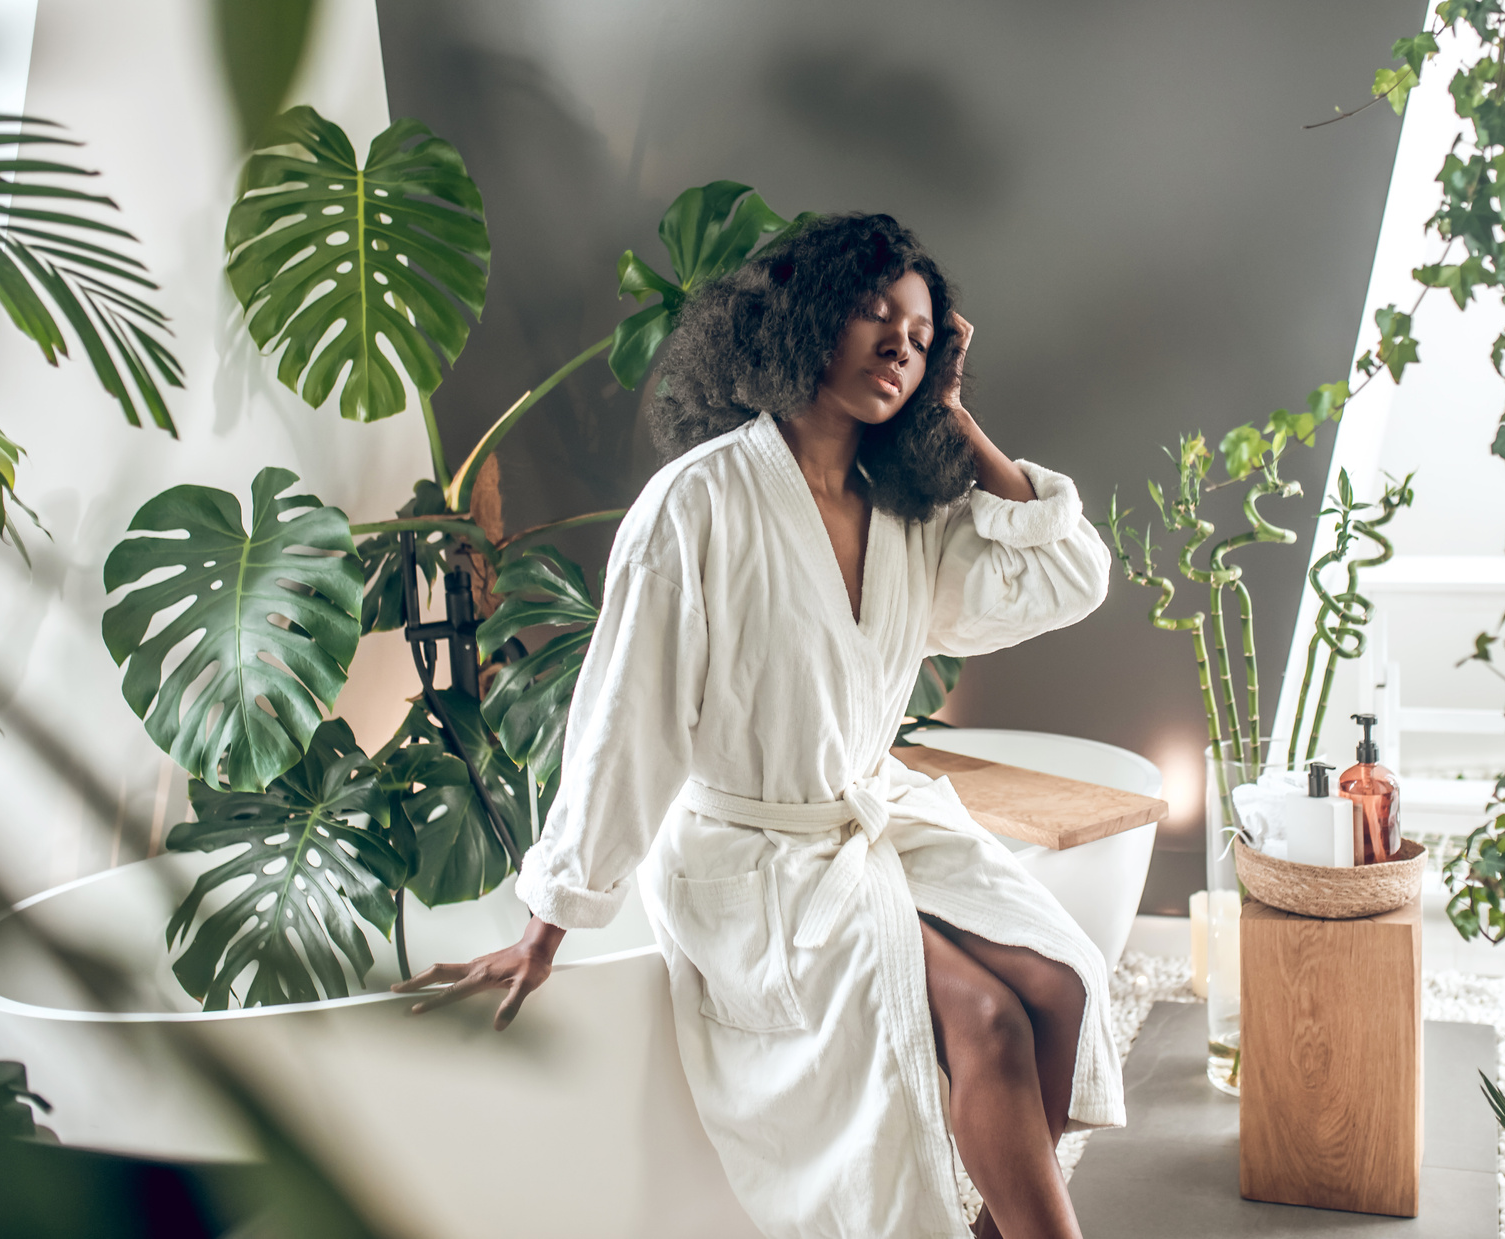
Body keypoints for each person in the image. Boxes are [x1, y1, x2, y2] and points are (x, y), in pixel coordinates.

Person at [395, 214, 1124, 1239]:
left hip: (866, 824)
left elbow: (1063, 575)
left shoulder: (904, 511)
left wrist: (953, 415)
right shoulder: (698, 503)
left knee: (1063, 983)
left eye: (921, 338)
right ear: (807, 317)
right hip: (754, 856)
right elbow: (624, 718)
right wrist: (549, 919)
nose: (897, 348)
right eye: (874, 313)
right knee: (991, 1021)